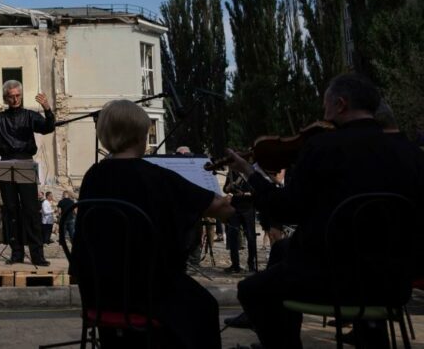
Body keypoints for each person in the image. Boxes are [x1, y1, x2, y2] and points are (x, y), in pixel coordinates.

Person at [228, 73, 424, 349]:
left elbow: (288, 211)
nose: (324, 113)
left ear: (341, 105)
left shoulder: (321, 147)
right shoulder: (412, 154)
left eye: (326, 106)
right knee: (285, 252)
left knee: (251, 290)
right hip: (394, 284)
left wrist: (250, 172)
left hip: (334, 280)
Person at [74, 100, 234, 348]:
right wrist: (230, 200)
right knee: (205, 306)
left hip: (100, 292)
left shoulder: (92, 176)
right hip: (149, 294)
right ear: (141, 135)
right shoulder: (155, 176)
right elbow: (220, 209)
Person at [0, 80, 55, 266]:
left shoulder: (30, 116)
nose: (15, 99)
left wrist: (47, 109)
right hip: (5, 163)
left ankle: (37, 255)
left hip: (26, 162)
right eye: (11, 96)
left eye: (18, 95)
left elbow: (48, 128)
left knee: (31, 211)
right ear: (6, 98)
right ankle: (16, 253)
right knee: (11, 211)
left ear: (21, 95)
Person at [223, 169, 257, 273]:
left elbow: (255, 191)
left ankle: (251, 264)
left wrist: (243, 194)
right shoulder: (232, 173)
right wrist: (229, 187)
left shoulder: (250, 172)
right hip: (234, 209)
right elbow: (225, 189)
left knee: (251, 237)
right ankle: (235, 265)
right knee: (233, 236)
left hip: (248, 209)